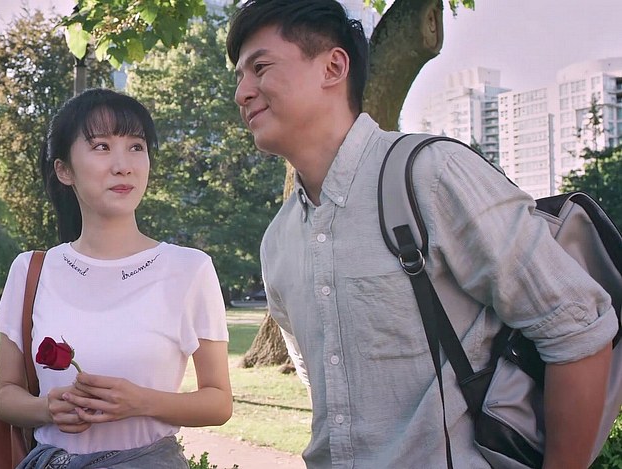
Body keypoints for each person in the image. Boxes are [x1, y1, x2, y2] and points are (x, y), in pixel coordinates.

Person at [227, 1, 617, 468]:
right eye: (238, 77)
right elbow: (325, 390)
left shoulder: (431, 174)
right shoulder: (278, 241)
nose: (242, 92)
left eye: (261, 68)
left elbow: (577, 325)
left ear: (333, 67)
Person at [0, 88, 232, 468]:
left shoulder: (189, 268)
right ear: (64, 170)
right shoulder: (31, 271)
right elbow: (6, 394)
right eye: (101, 147)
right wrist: (47, 409)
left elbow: (218, 401)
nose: (123, 165)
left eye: (136, 147)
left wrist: (142, 402)